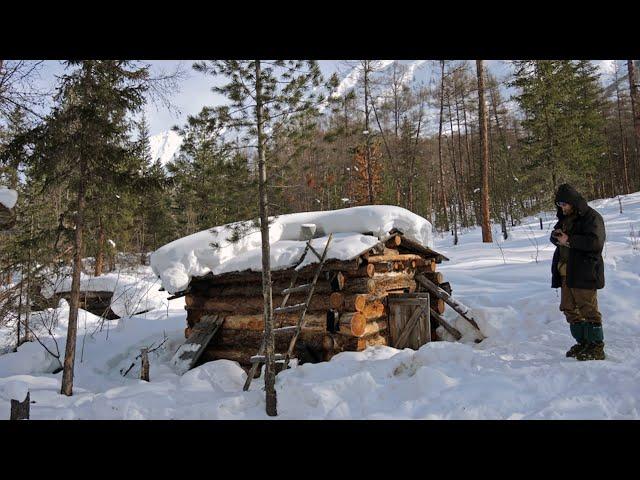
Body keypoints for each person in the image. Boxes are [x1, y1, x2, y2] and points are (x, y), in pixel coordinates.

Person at [550, 184, 606, 361]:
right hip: (566, 271)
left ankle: (596, 347)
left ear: (573, 202)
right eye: (560, 205)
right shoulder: (565, 218)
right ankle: (583, 343)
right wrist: (556, 237)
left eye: (565, 204)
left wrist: (570, 240)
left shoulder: (591, 217)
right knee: (568, 308)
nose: (563, 208)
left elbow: (595, 243)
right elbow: (560, 239)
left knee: (588, 309)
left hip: (585, 271)